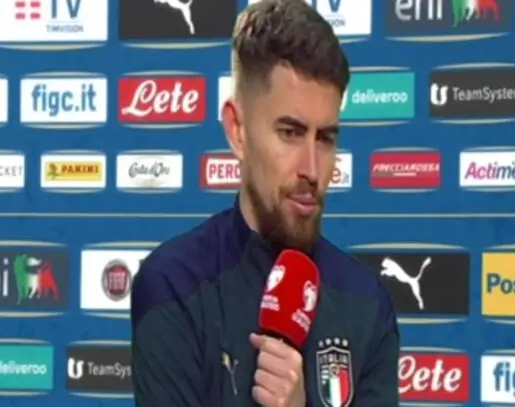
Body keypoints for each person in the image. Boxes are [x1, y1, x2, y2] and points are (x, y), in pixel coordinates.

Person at [130, 0, 400, 405]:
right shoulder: (174, 285)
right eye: (290, 133)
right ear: (237, 130)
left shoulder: (367, 304)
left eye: (325, 138)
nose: (312, 169)